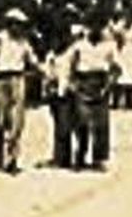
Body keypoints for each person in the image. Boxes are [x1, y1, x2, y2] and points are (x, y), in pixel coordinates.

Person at [0, 8, 39, 174]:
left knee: (17, 121)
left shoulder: (24, 43)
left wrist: (39, 72)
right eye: (14, 24)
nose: (17, 27)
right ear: (8, 23)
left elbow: (33, 61)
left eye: (20, 25)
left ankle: (12, 159)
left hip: (17, 79)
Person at [68, 21, 119, 170]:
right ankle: (80, 156)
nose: (95, 30)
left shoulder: (109, 46)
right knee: (81, 122)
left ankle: (99, 159)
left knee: (101, 124)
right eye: (92, 26)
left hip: (101, 82)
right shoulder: (79, 46)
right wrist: (73, 85)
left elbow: (116, 68)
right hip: (83, 82)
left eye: (99, 26)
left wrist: (109, 85)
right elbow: (71, 66)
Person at [44, 24, 79, 169]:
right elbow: (48, 74)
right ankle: (59, 156)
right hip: (55, 92)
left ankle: (67, 158)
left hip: (69, 91)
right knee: (58, 125)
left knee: (66, 125)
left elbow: (76, 70)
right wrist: (48, 85)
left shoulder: (72, 53)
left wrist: (74, 84)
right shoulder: (51, 55)